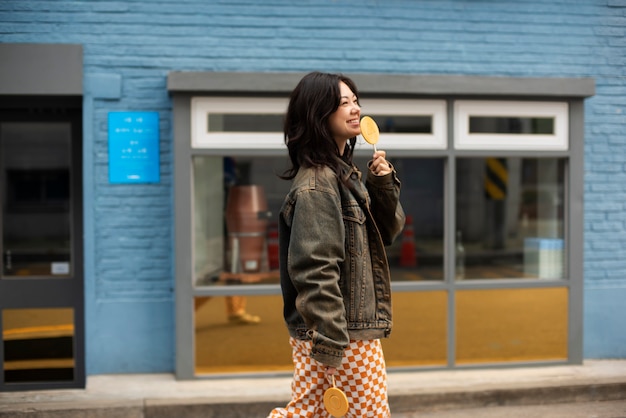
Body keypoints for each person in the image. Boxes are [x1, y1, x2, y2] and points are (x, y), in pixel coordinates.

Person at [268, 72, 405, 417]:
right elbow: (315, 269)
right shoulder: (319, 185)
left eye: (355, 100)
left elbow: (388, 231)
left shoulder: (345, 177)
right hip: (343, 334)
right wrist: (331, 344)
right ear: (319, 114)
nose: (355, 108)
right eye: (343, 103)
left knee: (308, 412)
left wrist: (383, 182)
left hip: (338, 331)